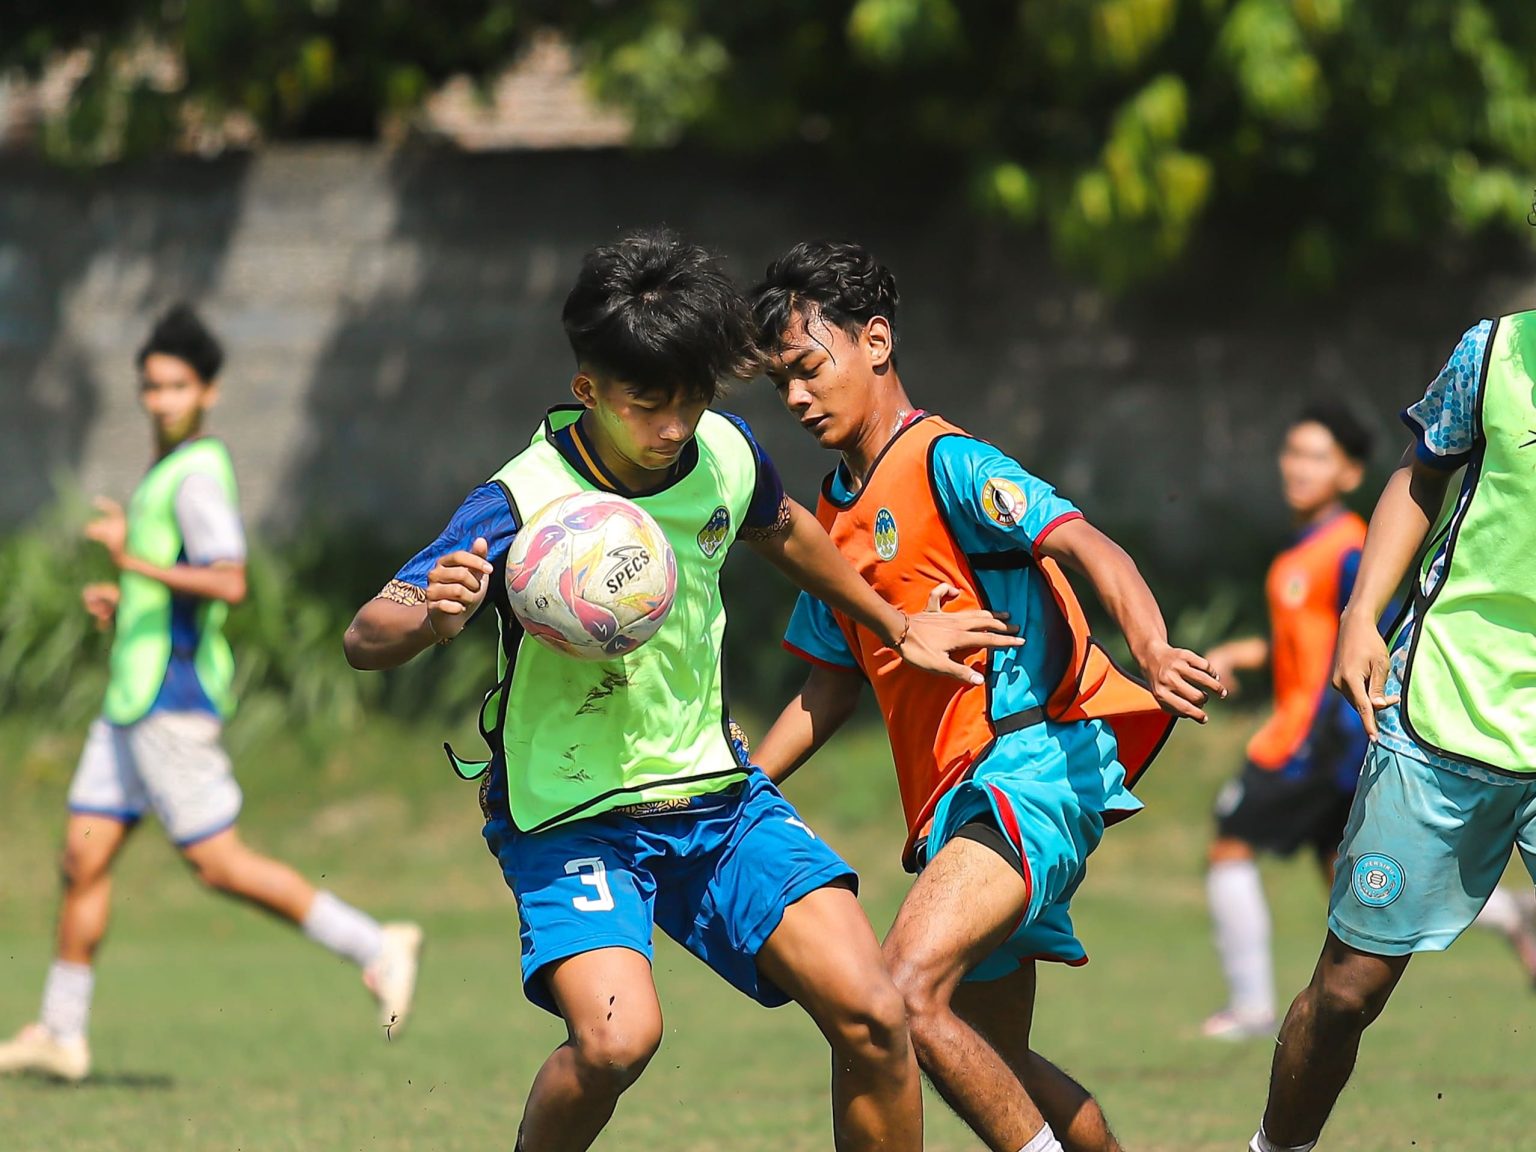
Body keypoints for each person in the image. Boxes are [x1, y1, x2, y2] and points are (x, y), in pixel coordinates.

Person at [343, 230, 1020, 1152]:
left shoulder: (724, 452)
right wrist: (430, 618)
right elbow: (365, 635)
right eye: (647, 404)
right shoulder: (520, 503)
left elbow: (785, 530)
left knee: (873, 1012)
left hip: (715, 796)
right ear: (589, 391)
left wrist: (896, 624)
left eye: (691, 400)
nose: (672, 428)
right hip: (570, 813)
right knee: (617, 1041)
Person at [747, 240, 1223, 1152]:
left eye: (809, 368)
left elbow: (1084, 542)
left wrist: (1153, 646)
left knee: (900, 991)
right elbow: (827, 689)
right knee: (998, 1055)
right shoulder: (831, 518)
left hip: (1029, 765)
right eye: (781, 385)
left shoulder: (948, 462)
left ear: (875, 342)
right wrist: (736, 792)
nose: (797, 399)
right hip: (953, 805)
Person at [0, 305, 421, 1084]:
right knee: (81, 858)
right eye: (150, 386)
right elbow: (175, 590)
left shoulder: (197, 475)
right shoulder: (167, 471)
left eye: (176, 386)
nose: (160, 400)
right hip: (129, 701)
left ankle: (375, 943)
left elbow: (228, 581)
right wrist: (125, 601)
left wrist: (130, 561)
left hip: (171, 703)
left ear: (208, 392)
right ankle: (59, 1031)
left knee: (220, 865)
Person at [1250, 312, 1536, 1152]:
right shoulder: (1493, 353)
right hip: (1444, 706)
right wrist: (1360, 614)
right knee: (1347, 992)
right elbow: (1420, 473)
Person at [1199, 403, 1373, 1040]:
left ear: (1350, 474)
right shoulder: (1302, 550)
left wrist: (1345, 738)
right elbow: (1308, 645)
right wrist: (1248, 652)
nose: (1300, 467)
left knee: (1230, 844)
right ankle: (1512, 916)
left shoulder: (1350, 548)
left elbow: (1368, 638)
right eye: (1294, 452)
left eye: (1318, 457)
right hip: (1315, 738)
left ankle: (1250, 1009)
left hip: (1315, 741)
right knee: (1357, 882)